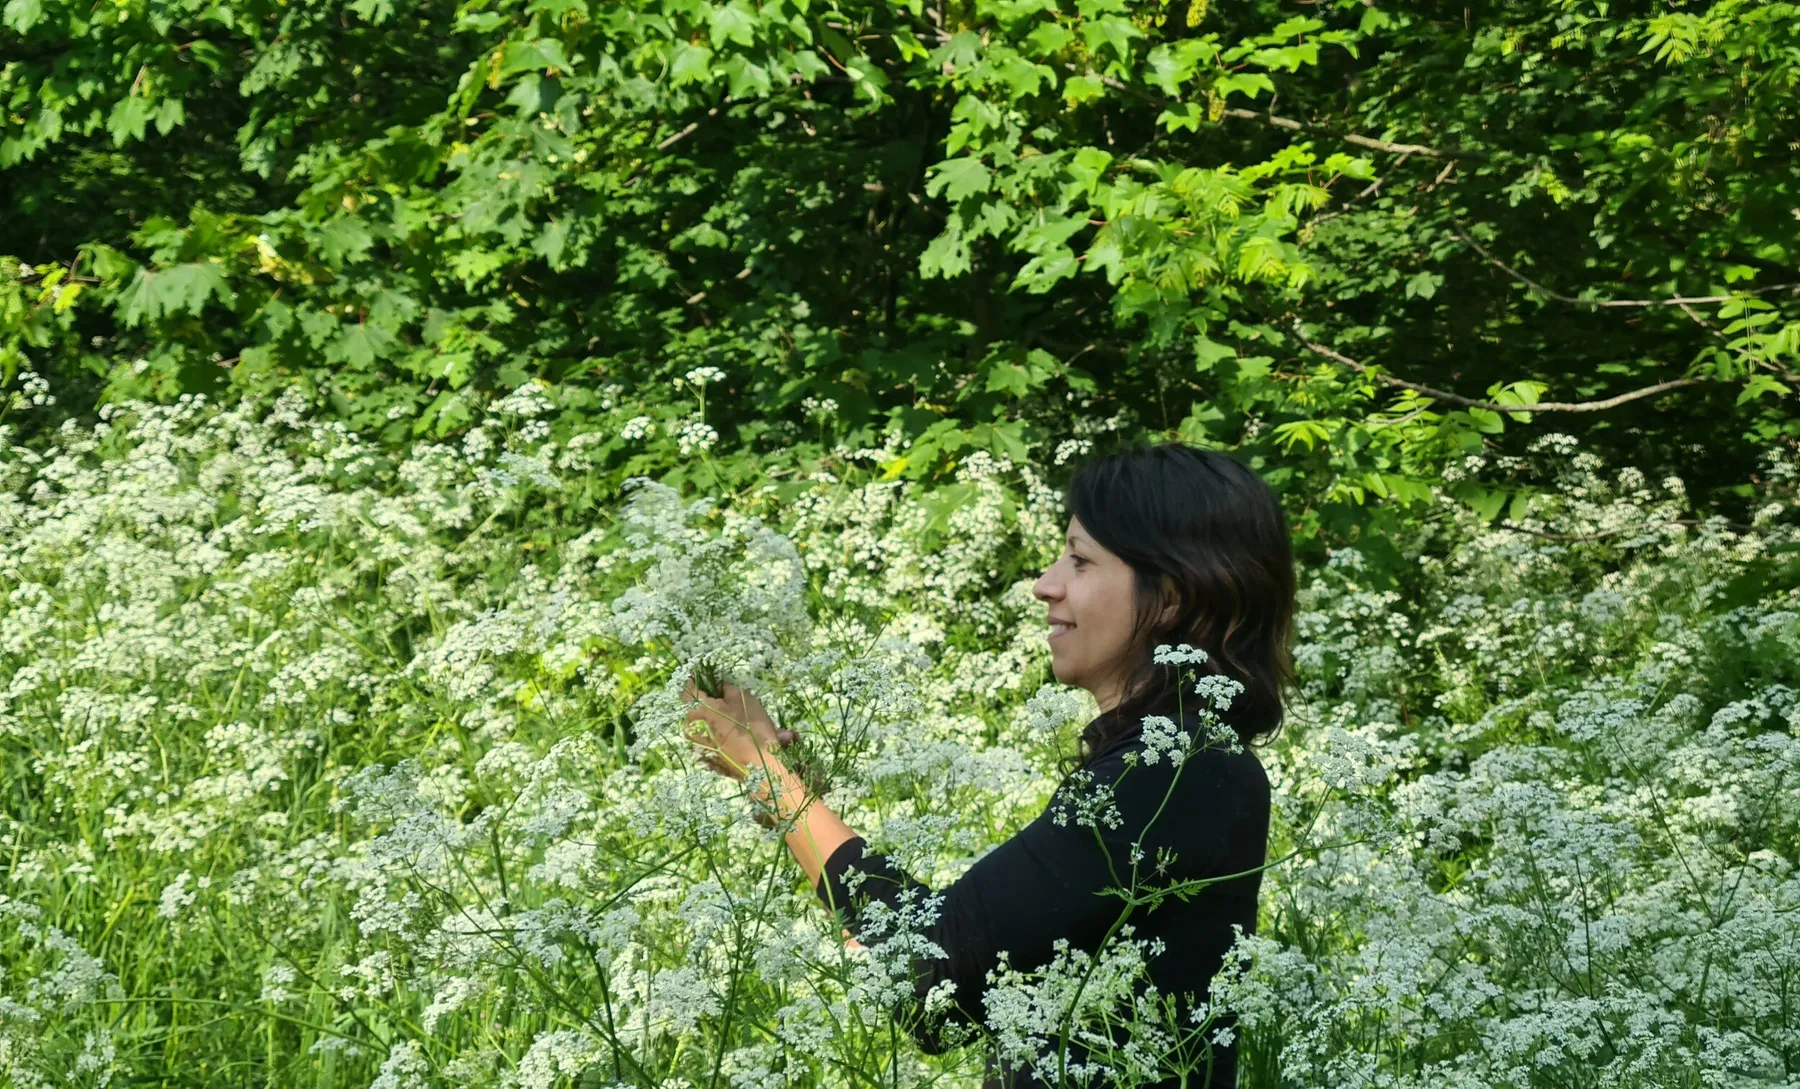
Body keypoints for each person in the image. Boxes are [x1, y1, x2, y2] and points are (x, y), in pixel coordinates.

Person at [684, 441, 1296, 1089]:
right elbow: (951, 979)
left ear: (1169, 596)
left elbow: (929, 971)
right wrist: (779, 778)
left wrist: (769, 776)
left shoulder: (1180, 773)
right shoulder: (1176, 767)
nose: (1045, 584)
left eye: (1080, 560)